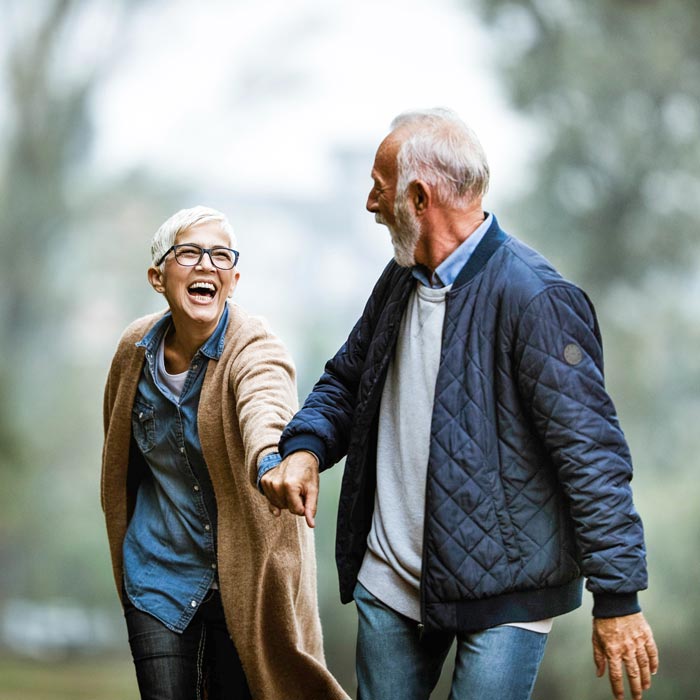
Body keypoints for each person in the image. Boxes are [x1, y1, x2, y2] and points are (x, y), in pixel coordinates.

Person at [260, 110, 659, 700]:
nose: (370, 203)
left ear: (418, 197)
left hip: (506, 594)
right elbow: (347, 380)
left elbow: (591, 456)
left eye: (379, 185)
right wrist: (305, 448)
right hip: (390, 583)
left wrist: (618, 599)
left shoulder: (536, 298)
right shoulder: (398, 280)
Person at [101, 206, 349, 700]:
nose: (205, 265)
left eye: (219, 256)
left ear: (233, 280)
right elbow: (118, 454)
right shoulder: (134, 351)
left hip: (245, 580)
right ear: (158, 276)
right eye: (189, 252)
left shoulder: (253, 345)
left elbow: (266, 406)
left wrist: (271, 463)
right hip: (157, 572)